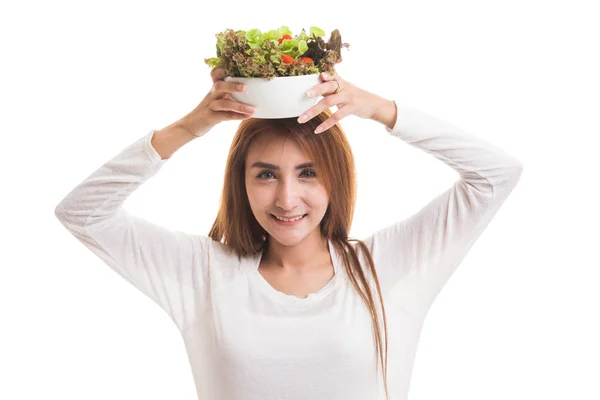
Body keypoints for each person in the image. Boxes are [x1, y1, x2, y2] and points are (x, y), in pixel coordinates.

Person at [54, 67, 524, 400]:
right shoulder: (202, 273)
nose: (286, 199)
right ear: (241, 183)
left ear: (334, 178)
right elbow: (82, 212)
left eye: (307, 173)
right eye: (265, 175)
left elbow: (496, 174)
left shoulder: (387, 267)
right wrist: (190, 126)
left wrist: (376, 109)